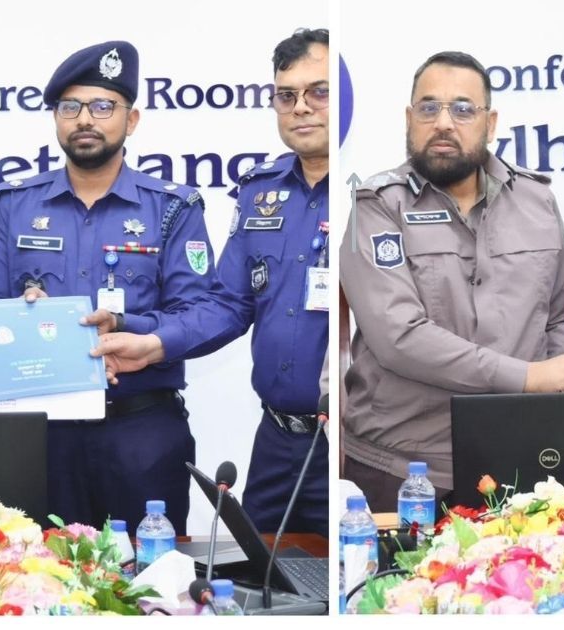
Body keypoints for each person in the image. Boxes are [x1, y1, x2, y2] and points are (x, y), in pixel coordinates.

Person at [0, 41, 240, 534]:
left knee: (151, 573)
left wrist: (138, 334)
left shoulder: (172, 208)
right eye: (70, 107)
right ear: (55, 118)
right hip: (40, 437)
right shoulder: (13, 204)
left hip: (140, 433)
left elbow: (204, 311)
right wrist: (23, 318)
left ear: (131, 119)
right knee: (39, 572)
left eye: (102, 106)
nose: (84, 120)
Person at [339, 51, 564, 512]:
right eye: (429, 108)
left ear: (490, 123)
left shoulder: (537, 199)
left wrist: (559, 393)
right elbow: (398, 337)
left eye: (462, 109)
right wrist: (527, 378)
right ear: (409, 119)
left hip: (524, 458)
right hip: (405, 470)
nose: (443, 123)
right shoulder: (376, 206)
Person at [214, 28, 329, 536]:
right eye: (287, 95)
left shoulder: (376, 195)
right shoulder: (258, 192)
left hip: (351, 444)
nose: (300, 107)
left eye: (319, 92)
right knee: (253, 574)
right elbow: (227, 305)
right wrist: (150, 341)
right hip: (275, 441)